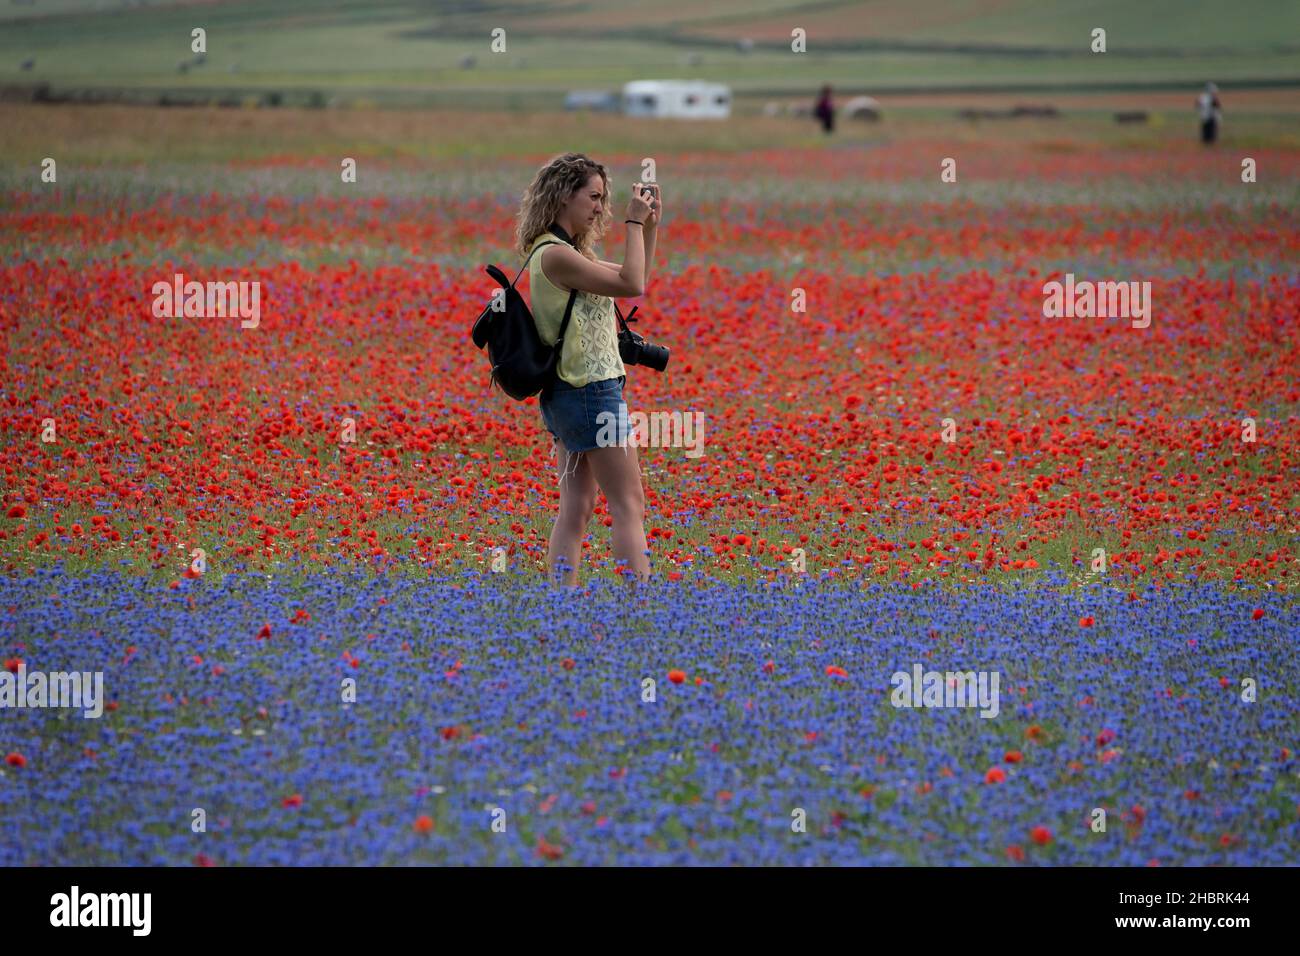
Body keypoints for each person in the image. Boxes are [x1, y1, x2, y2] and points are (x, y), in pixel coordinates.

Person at [513, 153, 661, 588]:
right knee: (629, 504)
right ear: (563, 196)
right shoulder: (557, 256)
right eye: (593, 197)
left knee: (576, 506)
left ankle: (562, 603)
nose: (600, 208)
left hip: (566, 394)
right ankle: (638, 608)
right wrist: (633, 225)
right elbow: (631, 284)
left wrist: (649, 225)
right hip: (591, 393)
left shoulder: (561, 254)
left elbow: (638, 276)